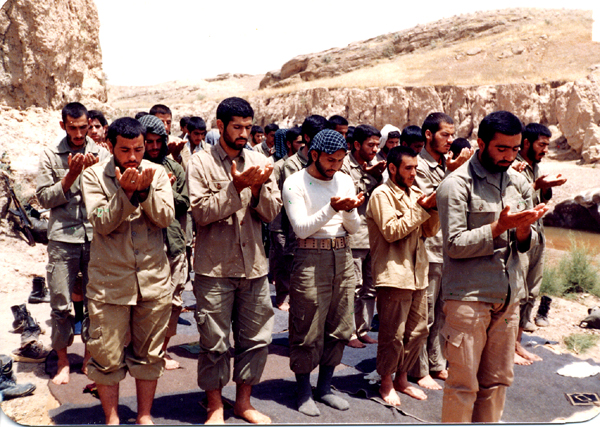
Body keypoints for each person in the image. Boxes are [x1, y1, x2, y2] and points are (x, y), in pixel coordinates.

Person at [437, 111, 548, 423]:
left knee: (497, 382)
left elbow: (530, 242)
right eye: (501, 149)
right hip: (469, 298)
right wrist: (498, 228)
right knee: (463, 385)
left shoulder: (519, 182)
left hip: (508, 297)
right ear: (481, 143)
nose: (509, 157)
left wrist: (523, 230)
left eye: (515, 149)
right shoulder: (456, 184)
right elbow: (454, 244)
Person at [187, 97, 280, 424]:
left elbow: (272, 212)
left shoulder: (260, 160)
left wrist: (254, 191)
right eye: (237, 127)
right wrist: (235, 187)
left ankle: (243, 402)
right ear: (220, 126)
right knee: (214, 342)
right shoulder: (200, 163)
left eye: (248, 127)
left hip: (253, 267)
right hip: (214, 268)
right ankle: (214, 405)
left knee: (255, 340)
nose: (243, 133)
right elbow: (201, 212)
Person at [81, 117, 175, 424]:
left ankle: (144, 416)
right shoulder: (93, 176)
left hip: (152, 280)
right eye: (125, 150)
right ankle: (113, 419)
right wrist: (124, 194)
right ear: (110, 146)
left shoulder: (156, 172)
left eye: (139, 149)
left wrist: (145, 193)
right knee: (106, 356)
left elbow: (165, 218)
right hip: (110, 284)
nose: (133, 156)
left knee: (149, 356)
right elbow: (101, 222)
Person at [283, 129, 364, 417]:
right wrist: (332, 209)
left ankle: (325, 387)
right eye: (330, 160)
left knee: (340, 324)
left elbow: (354, 227)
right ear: (314, 154)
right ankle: (304, 390)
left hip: (342, 254)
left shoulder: (344, 179)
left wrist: (349, 211)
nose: (335, 166)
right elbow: (301, 228)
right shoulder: (295, 183)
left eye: (341, 160)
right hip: (310, 256)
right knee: (307, 327)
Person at [36, 102, 109, 385]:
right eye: (72, 128)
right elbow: (44, 198)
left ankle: (89, 358)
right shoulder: (50, 154)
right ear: (63, 125)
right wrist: (71, 176)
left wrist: (92, 174)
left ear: (89, 124)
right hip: (62, 238)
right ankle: (63, 361)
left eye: (83, 127)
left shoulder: (101, 154)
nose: (78, 134)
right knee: (60, 303)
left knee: (94, 303)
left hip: (95, 237)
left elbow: (110, 195)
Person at [366, 145, 439, 406]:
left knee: (417, 331)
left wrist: (433, 208)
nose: (413, 173)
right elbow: (391, 231)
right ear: (392, 168)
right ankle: (386, 382)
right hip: (394, 274)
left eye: (416, 168)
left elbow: (429, 231)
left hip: (417, 273)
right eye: (408, 168)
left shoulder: (415, 193)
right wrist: (421, 209)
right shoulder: (381, 194)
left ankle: (402, 379)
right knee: (392, 334)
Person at [408, 112, 472, 390]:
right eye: (445, 134)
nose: (450, 140)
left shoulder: (448, 165)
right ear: (428, 135)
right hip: (428, 248)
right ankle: (417, 369)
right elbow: (430, 201)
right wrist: (453, 173)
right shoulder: (418, 165)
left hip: (449, 249)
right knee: (424, 314)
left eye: (452, 135)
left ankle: (437, 363)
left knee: (443, 312)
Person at [139, 114, 190, 371]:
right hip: (145, 247)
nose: (154, 147)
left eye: (159, 141)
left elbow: (185, 202)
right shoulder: (133, 167)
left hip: (173, 243)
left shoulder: (174, 168)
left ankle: (163, 350)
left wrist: (165, 191)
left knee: (174, 301)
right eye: (149, 142)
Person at [514, 123, 567, 365]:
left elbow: (540, 199)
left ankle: (517, 341)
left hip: (537, 233)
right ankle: (508, 345)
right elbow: (515, 201)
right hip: (521, 236)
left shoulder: (535, 166)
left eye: (547, 145)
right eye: (541, 145)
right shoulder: (514, 165)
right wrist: (538, 185)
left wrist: (545, 186)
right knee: (517, 291)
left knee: (531, 288)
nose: (545, 150)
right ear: (526, 143)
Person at [340, 124, 385, 349]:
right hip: (354, 235)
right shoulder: (344, 165)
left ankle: (363, 328)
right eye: (370, 145)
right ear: (357, 145)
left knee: (370, 288)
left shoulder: (377, 164)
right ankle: (349, 332)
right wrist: (371, 177)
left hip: (373, 236)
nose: (375, 149)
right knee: (354, 287)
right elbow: (352, 194)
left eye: (377, 145)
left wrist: (376, 176)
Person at [269, 127, 303, 311]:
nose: (302, 146)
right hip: (280, 221)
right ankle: (282, 297)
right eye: (298, 142)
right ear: (289, 144)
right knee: (283, 259)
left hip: (295, 221)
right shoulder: (279, 166)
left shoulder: (303, 165)